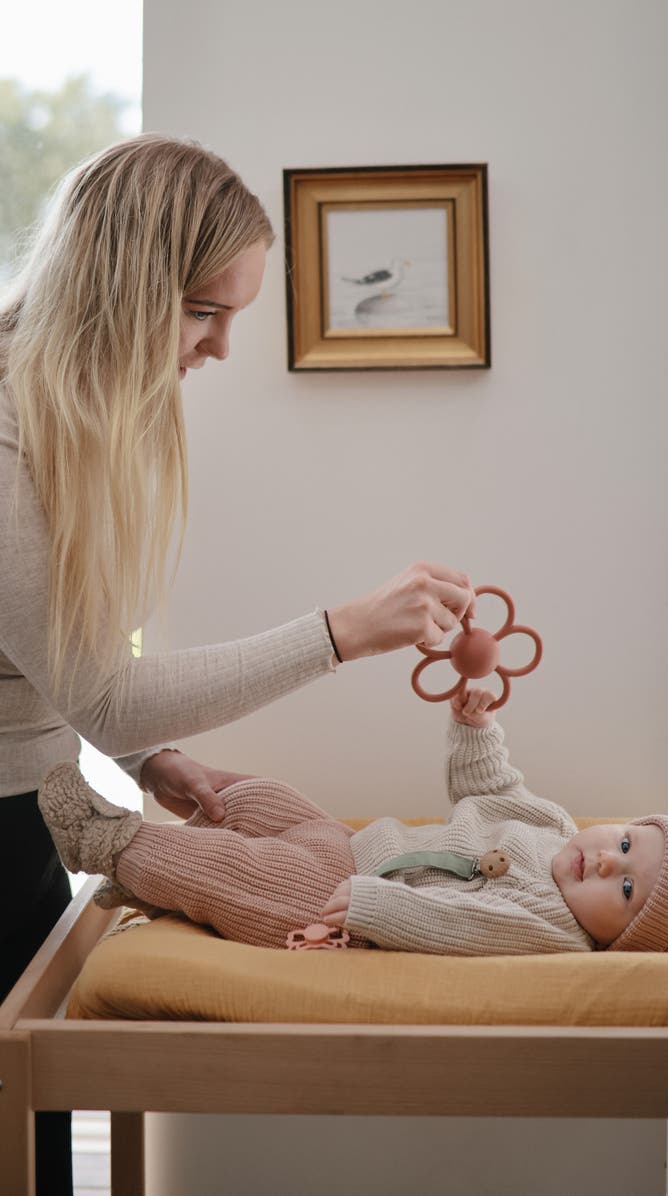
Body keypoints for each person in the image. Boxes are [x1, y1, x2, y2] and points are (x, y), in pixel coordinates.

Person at [0, 133, 474, 1194]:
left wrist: (157, 754)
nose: (216, 349)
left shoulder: (85, 415)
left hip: (29, 804)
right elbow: (101, 686)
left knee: (27, 1144)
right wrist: (343, 630)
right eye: (205, 310)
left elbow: (71, 654)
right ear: (123, 283)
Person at [39, 685, 668, 957]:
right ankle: (158, 883)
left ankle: (111, 843)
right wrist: (476, 732)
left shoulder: (551, 928)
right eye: (627, 842)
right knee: (260, 801)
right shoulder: (554, 824)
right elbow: (492, 787)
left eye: (626, 889)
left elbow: (459, 927)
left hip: (341, 905)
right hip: (354, 846)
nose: (606, 860)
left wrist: (377, 906)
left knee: (244, 876)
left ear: (624, 940)